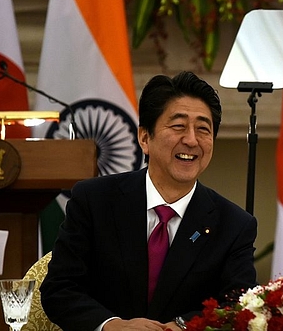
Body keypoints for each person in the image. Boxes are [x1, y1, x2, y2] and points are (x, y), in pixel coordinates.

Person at [41, 71, 258, 331]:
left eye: (203, 129)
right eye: (178, 126)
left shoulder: (234, 225)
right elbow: (59, 289)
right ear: (144, 138)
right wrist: (111, 325)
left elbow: (236, 305)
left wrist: (183, 327)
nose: (191, 140)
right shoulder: (94, 200)